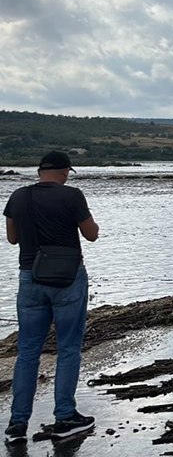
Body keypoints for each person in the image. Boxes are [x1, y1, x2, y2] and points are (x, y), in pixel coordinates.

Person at [4, 151, 99, 444]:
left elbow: (12, 238)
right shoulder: (72, 196)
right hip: (67, 278)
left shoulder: (18, 196)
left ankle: (17, 425)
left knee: (28, 351)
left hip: (29, 277)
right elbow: (91, 234)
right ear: (65, 171)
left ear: (39, 171)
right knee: (68, 348)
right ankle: (65, 417)